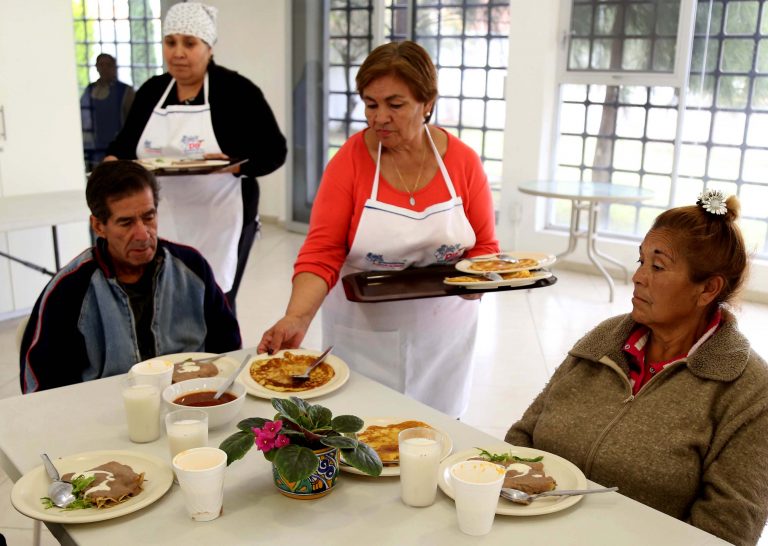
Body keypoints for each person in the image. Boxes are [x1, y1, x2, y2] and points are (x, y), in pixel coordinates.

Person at [505, 190, 768, 546]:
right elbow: (522, 437)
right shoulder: (605, 341)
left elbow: (725, 533)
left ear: (708, 288)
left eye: (657, 267)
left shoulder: (749, 390)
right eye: (640, 261)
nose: (638, 277)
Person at [258, 41, 499, 417]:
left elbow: (484, 246)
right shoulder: (349, 163)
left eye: (395, 104)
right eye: (371, 104)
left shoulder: (463, 162)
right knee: (368, 430)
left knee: (437, 430)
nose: (379, 117)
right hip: (366, 329)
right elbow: (322, 252)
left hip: (445, 334)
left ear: (427, 102)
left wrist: (478, 286)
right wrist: (297, 317)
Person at [105, 2, 287, 311]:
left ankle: (217, 358)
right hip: (160, 216)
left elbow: (274, 151)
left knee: (214, 301)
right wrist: (110, 168)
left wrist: (231, 165)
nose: (178, 52)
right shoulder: (152, 91)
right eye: (170, 42)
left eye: (189, 43)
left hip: (221, 214)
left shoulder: (237, 91)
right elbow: (123, 147)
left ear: (209, 47)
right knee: (163, 298)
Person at [19, 161, 241, 394]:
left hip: (194, 407)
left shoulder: (192, 268)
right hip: (104, 416)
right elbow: (42, 388)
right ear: (98, 226)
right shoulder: (69, 290)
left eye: (149, 217)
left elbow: (229, 351)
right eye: (126, 223)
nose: (142, 234)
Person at [80, 53, 135, 169]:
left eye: (108, 65)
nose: (104, 68)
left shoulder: (125, 91)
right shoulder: (89, 90)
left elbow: (134, 121)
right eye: (101, 65)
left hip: (119, 149)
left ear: (114, 67)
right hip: (93, 149)